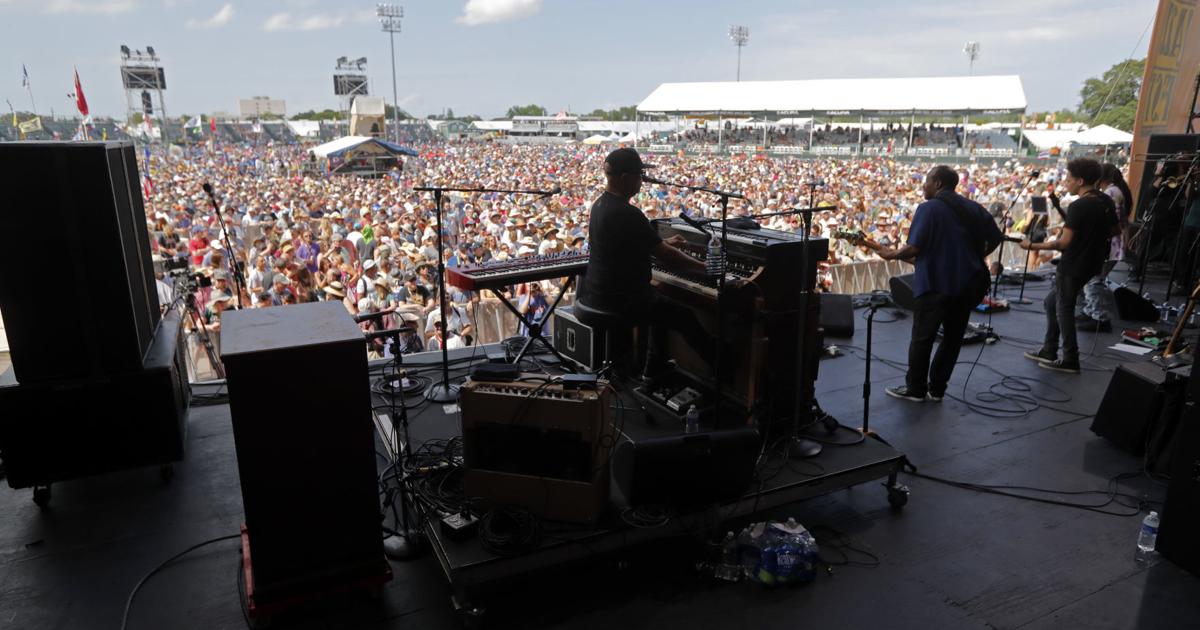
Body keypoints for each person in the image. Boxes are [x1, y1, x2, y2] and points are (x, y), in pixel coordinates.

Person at [576, 147, 718, 382]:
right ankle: (722, 372)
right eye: (639, 175)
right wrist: (706, 268)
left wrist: (662, 241)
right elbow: (668, 257)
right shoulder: (627, 212)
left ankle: (654, 367)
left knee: (661, 301)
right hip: (623, 302)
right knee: (684, 316)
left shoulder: (600, 205)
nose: (642, 181)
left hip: (601, 294)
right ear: (625, 178)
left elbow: (627, 245)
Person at [870, 165, 1002, 402]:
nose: (923, 185)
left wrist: (891, 254)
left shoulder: (929, 208)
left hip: (936, 285)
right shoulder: (973, 207)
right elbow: (996, 237)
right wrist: (976, 256)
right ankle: (938, 388)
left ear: (938, 183)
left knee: (923, 337)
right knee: (952, 339)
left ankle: (916, 389)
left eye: (927, 181)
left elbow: (914, 247)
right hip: (967, 285)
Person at [1020, 158, 1118, 373]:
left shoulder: (1079, 205)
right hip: (1093, 262)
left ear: (1080, 180)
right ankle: (1049, 349)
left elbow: (1063, 242)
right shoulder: (1104, 201)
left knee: (1063, 308)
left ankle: (1070, 358)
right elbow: (1113, 231)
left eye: (1069, 179)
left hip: (1073, 264)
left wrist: (1031, 245)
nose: (1066, 183)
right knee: (1051, 302)